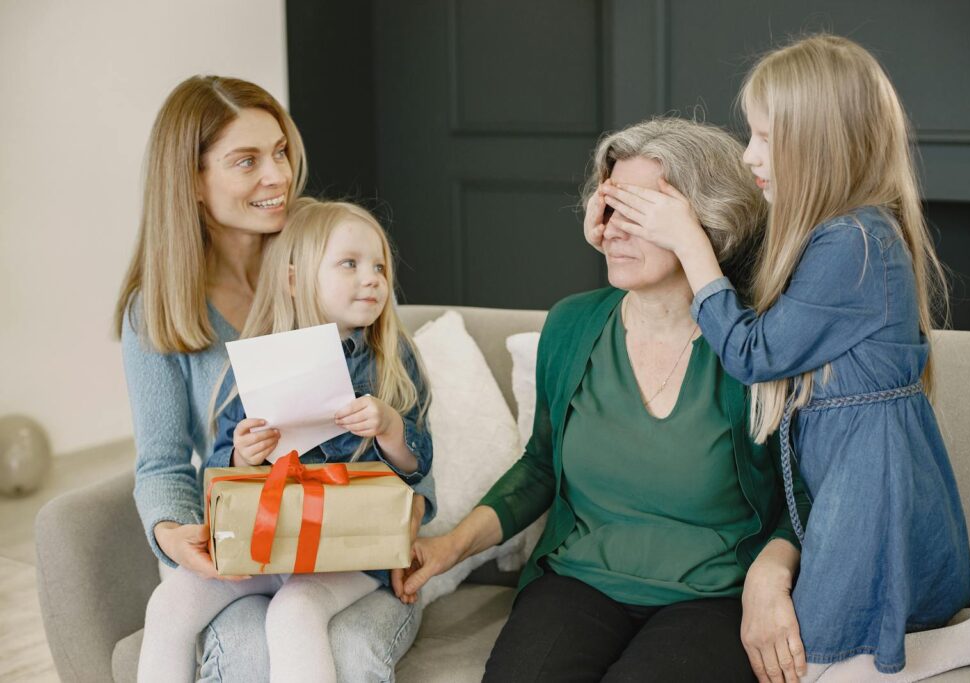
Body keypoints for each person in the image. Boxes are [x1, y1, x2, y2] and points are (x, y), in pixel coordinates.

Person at [599, 34, 970, 682]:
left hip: (869, 479)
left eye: (766, 137)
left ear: (819, 143)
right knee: (813, 657)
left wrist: (686, 240)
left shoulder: (853, 243)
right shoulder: (833, 233)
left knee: (813, 663)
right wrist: (612, 221)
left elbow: (750, 349)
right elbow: (742, 269)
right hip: (856, 470)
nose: (749, 156)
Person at [393, 117, 811, 682]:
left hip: (712, 598)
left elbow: (807, 491)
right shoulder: (573, 324)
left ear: (706, 224)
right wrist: (449, 548)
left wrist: (771, 573)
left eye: (637, 212)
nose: (610, 230)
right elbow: (540, 466)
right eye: (608, 207)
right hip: (578, 580)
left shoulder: (756, 345)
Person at [116, 76, 434, 681]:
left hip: (337, 540)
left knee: (304, 627)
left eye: (281, 151)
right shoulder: (156, 309)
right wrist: (175, 536)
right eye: (247, 161)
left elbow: (397, 393)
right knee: (234, 647)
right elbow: (161, 465)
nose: (278, 176)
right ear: (192, 181)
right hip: (240, 538)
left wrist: (410, 512)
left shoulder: (318, 258)